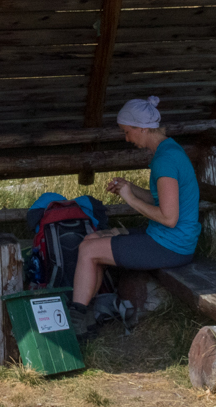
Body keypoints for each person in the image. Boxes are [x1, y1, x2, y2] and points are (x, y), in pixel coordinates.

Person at [69, 95, 200, 338]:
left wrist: (130, 199)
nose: (126, 138)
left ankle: (77, 324)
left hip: (172, 245)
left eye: (128, 132)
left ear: (142, 128)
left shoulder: (165, 160)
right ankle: (87, 317)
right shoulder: (170, 150)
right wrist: (129, 188)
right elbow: (161, 199)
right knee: (90, 242)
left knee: (88, 252)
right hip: (168, 239)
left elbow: (169, 218)